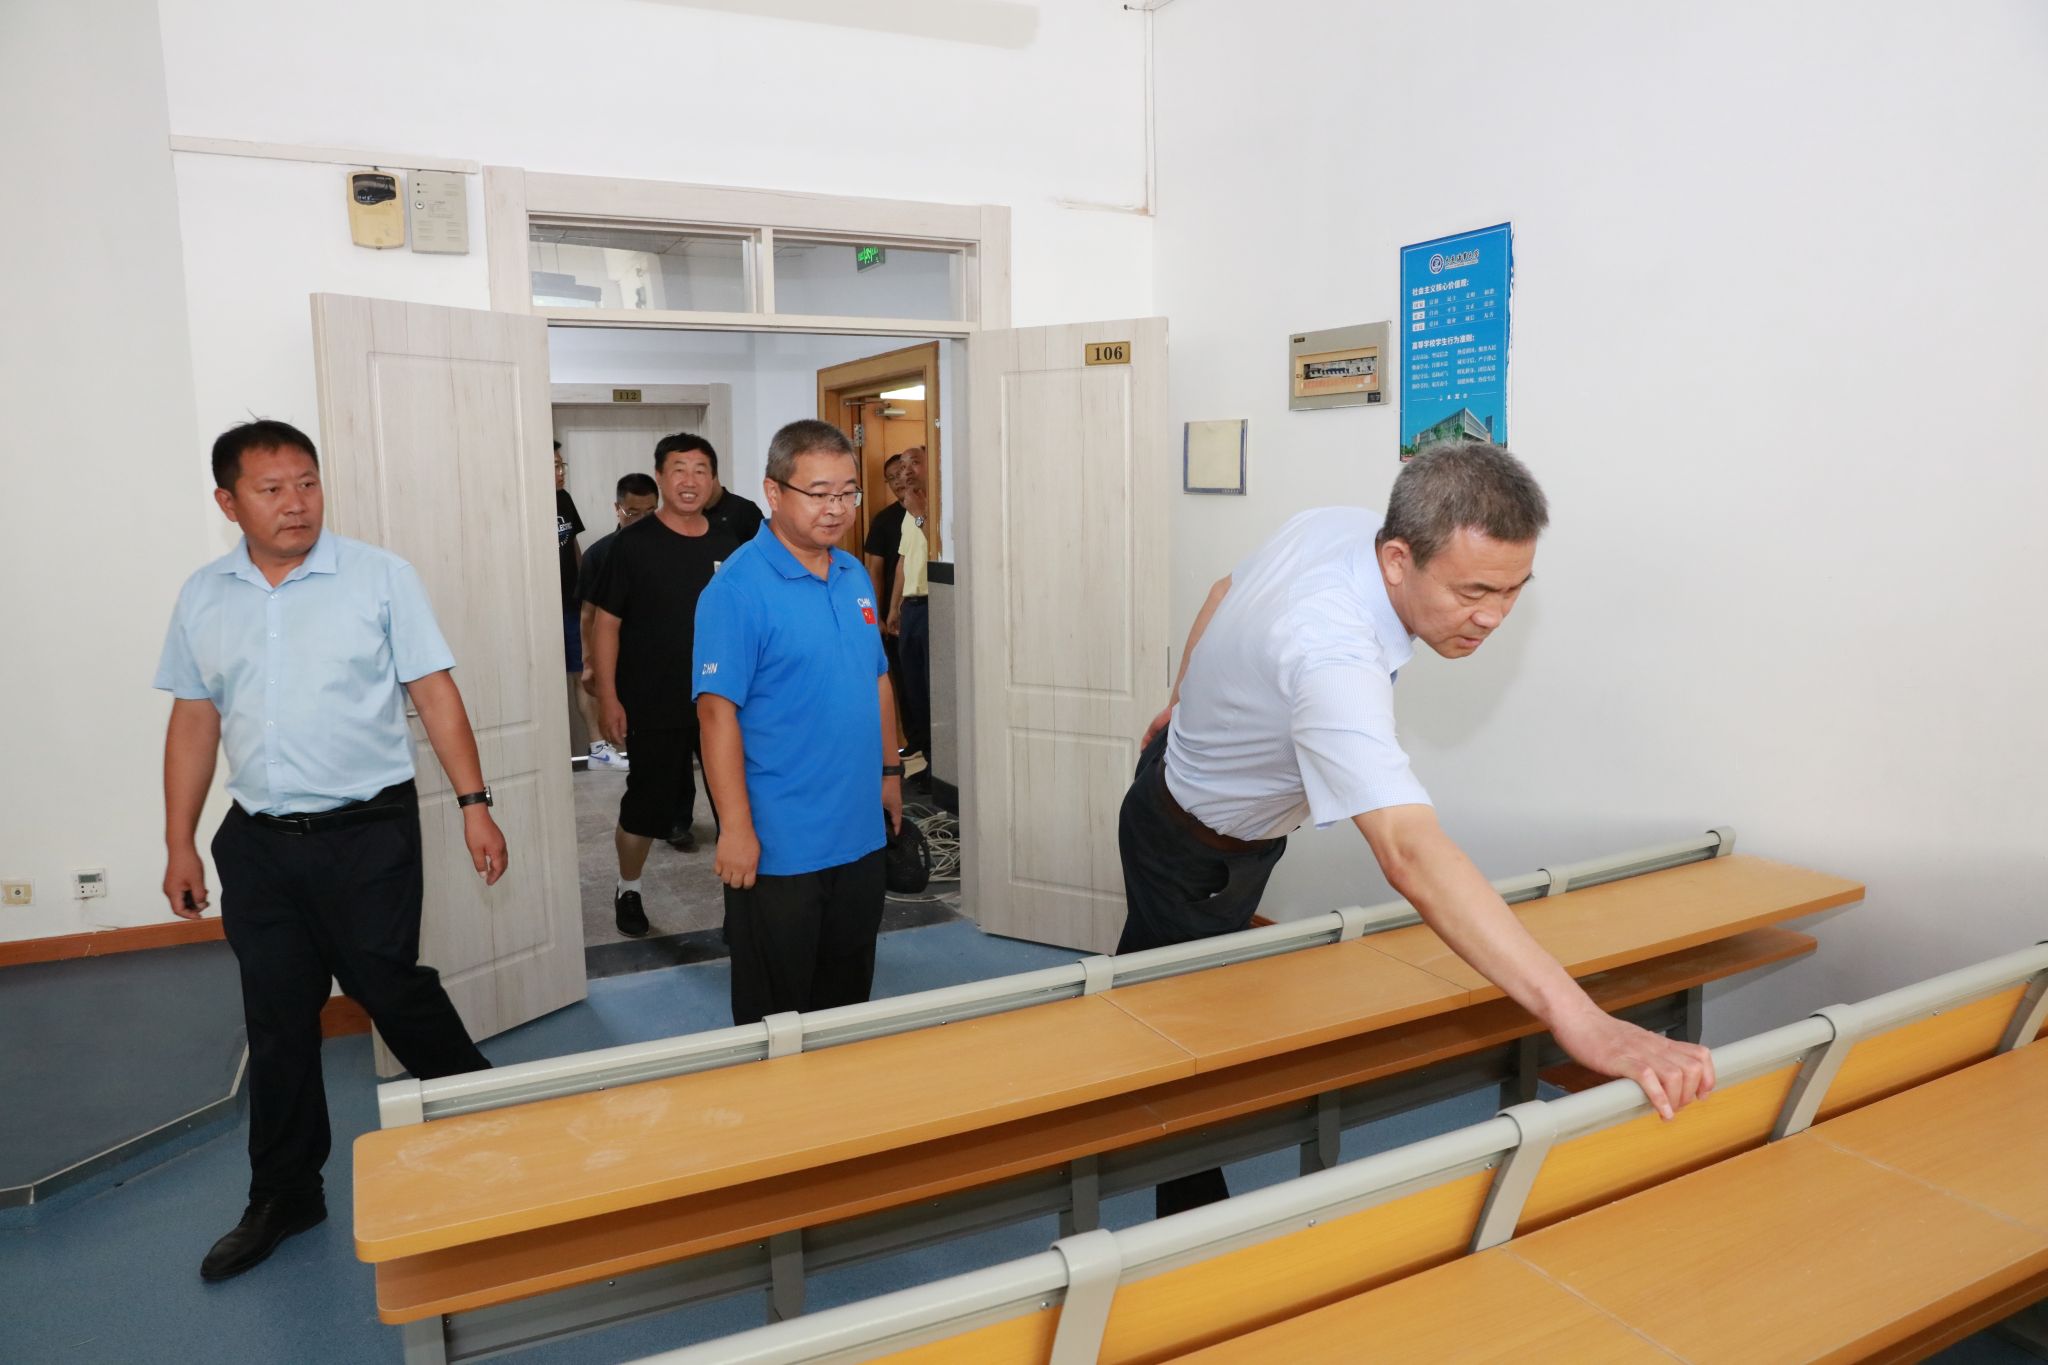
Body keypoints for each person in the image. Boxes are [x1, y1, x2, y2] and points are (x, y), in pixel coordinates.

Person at [1124, 440, 1716, 1216]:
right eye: (1474, 590)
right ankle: (1181, 1218)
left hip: (1188, 794)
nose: (1494, 615)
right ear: (1399, 559)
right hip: (1194, 848)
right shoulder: (1330, 650)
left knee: (1156, 992)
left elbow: (1224, 589)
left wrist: (1183, 700)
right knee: (1171, 1035)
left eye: (1515, 589)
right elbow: (1408, 848)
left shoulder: (1342, 526)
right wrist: (1585, 1022)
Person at [156, 419, 507, 1281]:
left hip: (366, 834)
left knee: (390, 988)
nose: (296, 503)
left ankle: (498, 1128)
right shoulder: (204, 595)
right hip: (259, 844)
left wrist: (475, 805)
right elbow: (195, 719)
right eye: (272, 488)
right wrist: (179, 842)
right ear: (227, 501)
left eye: (307, 483)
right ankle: (285, 1193)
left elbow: (434, 692)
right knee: (277, 1021)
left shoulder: (379, 576)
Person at [694, 419, 903, 1025]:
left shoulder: (853, 574)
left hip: (858, 831)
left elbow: (877, 678)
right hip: (781, 843)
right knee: (777, 1016)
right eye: (819, 493)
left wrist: (890, 773)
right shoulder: (737, 589)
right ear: (774, 491)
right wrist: (735, 829)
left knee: (846, 999)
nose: (836, 508)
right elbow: (715, 714)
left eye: (848, 492)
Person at [589, 434, 737, 936]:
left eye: (700, 470)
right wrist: (609, 698)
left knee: (735, 802)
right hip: (652, 699)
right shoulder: (631, 545)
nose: (689, 480)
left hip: (722, 701)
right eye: (679, 469)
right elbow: (606, 624)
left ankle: (741, 905)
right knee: (647, 804)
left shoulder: (730, 546)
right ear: (660, 477)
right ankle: (628, 887)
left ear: (713, 480)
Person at [576, 471, 660, 772]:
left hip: (663, 659)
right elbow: (587, 615)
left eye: (650, 512)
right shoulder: (599, 555)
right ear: (617, 509)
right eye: (632, 513)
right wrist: (589, 662)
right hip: (622, 659)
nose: (641, 521)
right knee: (642, 749)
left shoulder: (668, 547)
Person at [863, 453, 912, 742]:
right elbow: (875, 570)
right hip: (894, 618)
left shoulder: (929, 511)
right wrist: (876, 615)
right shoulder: (884, 520)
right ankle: (913, 744)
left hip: (922, 607)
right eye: (891, 478)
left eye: (901, 474)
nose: (898, 482)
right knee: (903, 684)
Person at [887, 447, 932, 761]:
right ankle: (926, 758)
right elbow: (903, 562)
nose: (907, 471)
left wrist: (919, 514)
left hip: (933, 605)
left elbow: (942, 544)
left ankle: (940, 767)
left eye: (915, 462)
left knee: (933, 689)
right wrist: (894, 607)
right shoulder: (908, 509)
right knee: (913, 687)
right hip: (911, 608)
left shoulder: (937, 503)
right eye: (903, 465)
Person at [554, 442, 588, 757]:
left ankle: (598, 747)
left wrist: (584, 588)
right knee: (548, 678)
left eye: (562, 465)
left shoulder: (564, 498)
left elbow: (573, 544)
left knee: (582, 671)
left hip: (570, 602)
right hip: (542, 607)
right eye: (554, 466)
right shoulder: (529, 502)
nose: (561, 472)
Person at [701, 448, 765, 544]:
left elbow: (765, 548)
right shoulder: (689, 513)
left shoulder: (745, 510)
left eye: (699, 473)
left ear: (714, 474)